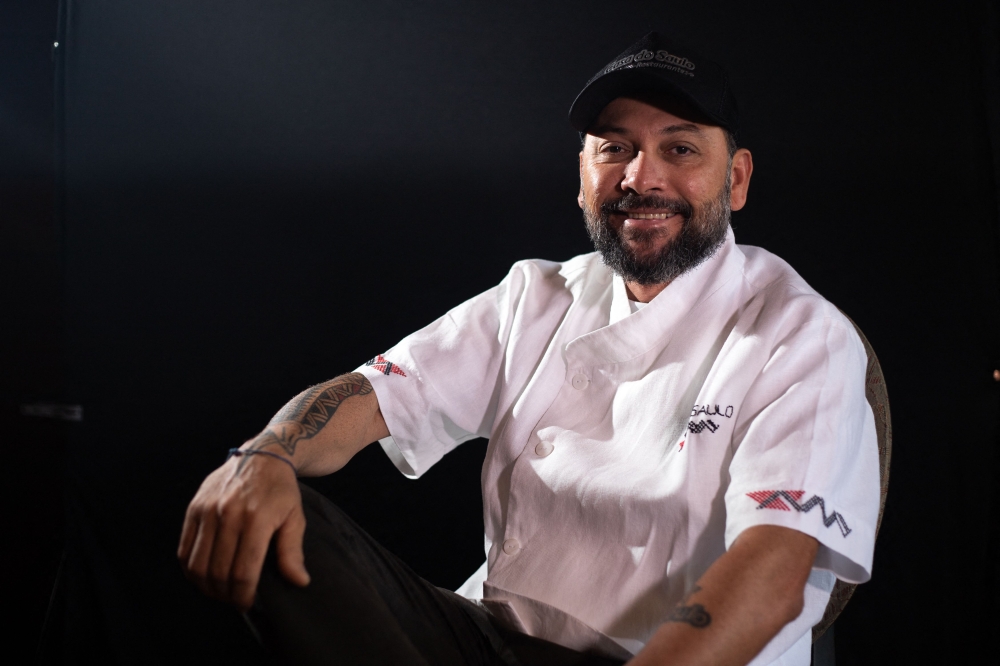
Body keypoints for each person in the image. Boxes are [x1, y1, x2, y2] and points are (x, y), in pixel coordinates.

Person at [178, 31, 879, 666]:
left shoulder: (800, 334)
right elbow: (372, 394)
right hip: (494, 637)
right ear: (583, 176)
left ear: (736, 179)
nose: (641, 178)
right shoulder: (537, 297)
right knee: (279, 523)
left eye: (680, 149)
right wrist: (264, 455)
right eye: (614, 148)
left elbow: (775, 572)